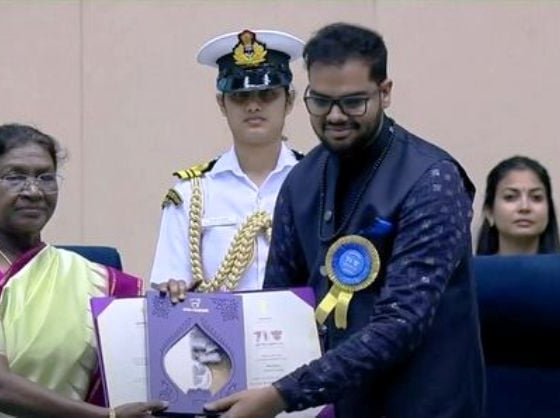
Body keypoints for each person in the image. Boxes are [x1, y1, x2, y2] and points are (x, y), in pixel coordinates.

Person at [205, 23, 485, 418]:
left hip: (425, 406)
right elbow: (277, 307)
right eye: (320, 101)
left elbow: (401, 323)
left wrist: (281, 395)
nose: (335, 116)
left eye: (353, 102)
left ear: (385, 92)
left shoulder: (432, 180)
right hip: (330, 408)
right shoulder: (301, 181)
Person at [0, 124, 166, 418]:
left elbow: (147, 332)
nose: (33, 191)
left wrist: (176, 302)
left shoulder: (89, 277)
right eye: (14, 177)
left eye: (45, 177)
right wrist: (104, 417)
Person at [150, 29, 304, 299]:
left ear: (289, 101)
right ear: (222, 104)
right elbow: (172, 291)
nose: (253, 106)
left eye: (267, 94)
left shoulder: (316, 183)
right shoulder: (191, 194)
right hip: (216, 327)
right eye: (240, 96)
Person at [475, 155, 560, 255]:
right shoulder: (470, 266)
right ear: (489, 212)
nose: (524, 207)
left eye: (536, 197)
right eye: (510, 197)